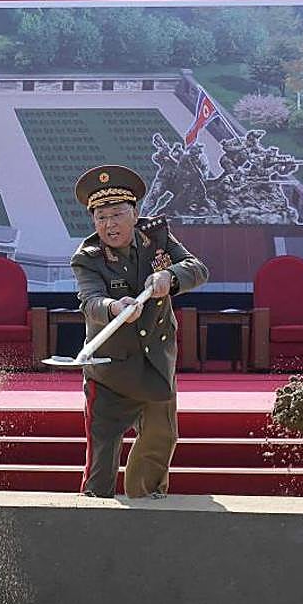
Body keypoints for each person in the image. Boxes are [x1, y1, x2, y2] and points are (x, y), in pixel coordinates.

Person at [70, 165, 209, 499]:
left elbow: (197, 268)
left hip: (156, 362)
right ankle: (95, 510)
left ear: (135, 214)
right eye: (101, 218)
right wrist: (115, 308)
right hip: (110, 368)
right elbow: (90, 301)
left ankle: (146, 502)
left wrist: (170, 278)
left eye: (117, 215)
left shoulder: (157, 237)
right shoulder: (87, 258)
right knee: (102, 453)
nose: (110, 225)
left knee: (160, 438)